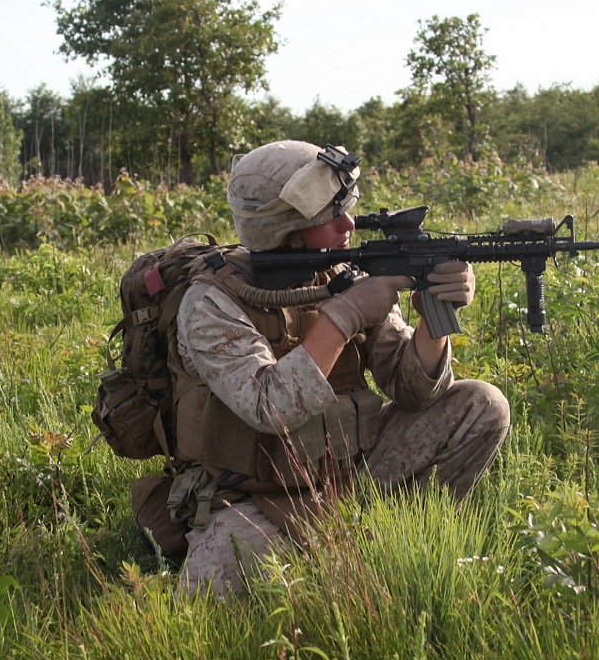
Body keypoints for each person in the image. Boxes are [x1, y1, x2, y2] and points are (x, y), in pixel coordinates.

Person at [166, 140, 510, 597]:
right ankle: (340, 550)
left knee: (482, 405)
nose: (348, 224)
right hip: (257, 493)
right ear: (283, 229)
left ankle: (397, 541)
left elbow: (412, 392)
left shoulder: (346, 274)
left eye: (346, 209)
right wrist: (344, 316)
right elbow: (272, 408)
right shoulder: (211, 303)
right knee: (219, 588)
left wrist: (435, 317)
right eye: (330, 217)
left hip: (349, 472)